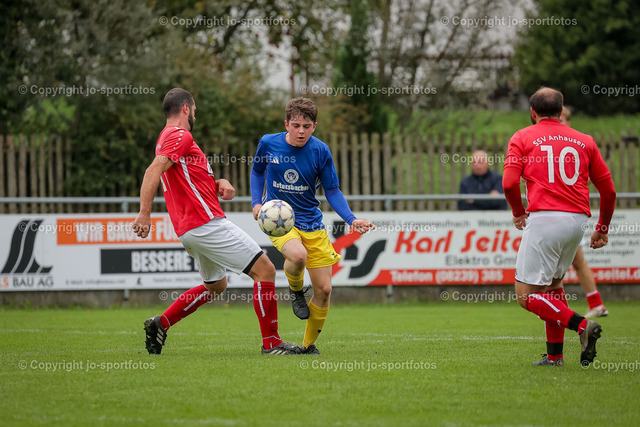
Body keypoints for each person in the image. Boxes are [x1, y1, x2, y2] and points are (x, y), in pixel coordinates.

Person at [133, 88, 300, 355]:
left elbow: (188, 180)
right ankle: (272, 342)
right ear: (186, 108)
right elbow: (152, 170)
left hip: (190, 230)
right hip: (205, 224)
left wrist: (218, 183)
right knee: (265, 270)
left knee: (216, 286)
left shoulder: (168, 138)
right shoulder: (179, 135)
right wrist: (144, 212)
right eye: (194, 110)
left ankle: (160, 323)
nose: (195, 115)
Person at [250, 97, 375, 355]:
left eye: (306, 126)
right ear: (286, 124)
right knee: (298, 256)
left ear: (314, 126)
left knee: (325, 290)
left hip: (312, 224)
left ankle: (307, 346)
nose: (301, 131)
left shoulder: (321, 151)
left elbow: (332, 190)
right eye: (296, 125)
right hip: (281, 221)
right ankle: (296, 291)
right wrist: (256, 202)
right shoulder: (268, 143)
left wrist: (352, 219)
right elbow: (257, 171)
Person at [502, 87, 616, 367]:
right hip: (576, 222)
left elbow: (509, 183)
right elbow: (609, 191)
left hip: (545, 220)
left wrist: (518, 212)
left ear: (532, 112)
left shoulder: (522, 136)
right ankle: (555, 356)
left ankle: (582, 326)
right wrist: (602, 227)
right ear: (562, 110)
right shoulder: (585, 140)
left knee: (526, 296)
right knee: (553, 285)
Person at [560, 106, 608, 318]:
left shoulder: (575, 144)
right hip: (568, 214)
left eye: (562, 119)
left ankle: (559, 312)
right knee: (576, 261)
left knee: (558, 266)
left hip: (565, 212)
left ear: (569, 122)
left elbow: (588, 177)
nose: (558, 122)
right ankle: (596, 304)